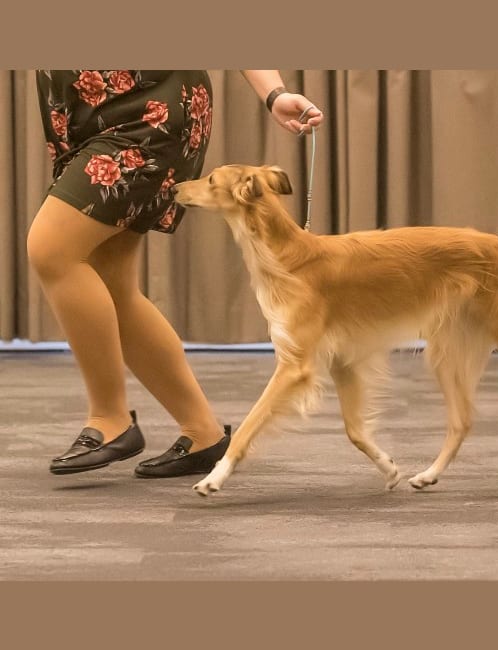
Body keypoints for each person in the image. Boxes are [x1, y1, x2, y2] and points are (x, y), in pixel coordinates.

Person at [27, 70, 323, 478]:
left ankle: (109, 417)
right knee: (112, 285)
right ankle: (202, 432)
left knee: (51, 249)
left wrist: (274, 93)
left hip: (150, 111)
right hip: (83, 114)